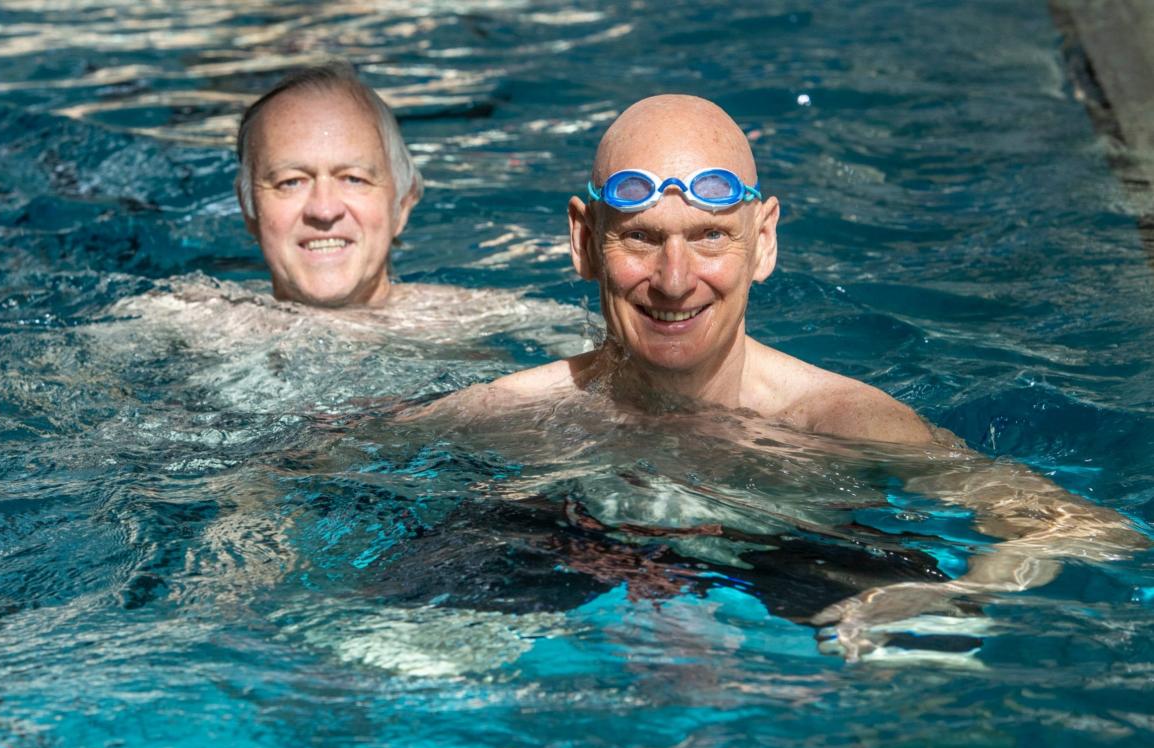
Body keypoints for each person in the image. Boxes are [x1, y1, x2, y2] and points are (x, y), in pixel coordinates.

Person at [430, 94, 1145, 660]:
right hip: (558, 556)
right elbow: (321, 472)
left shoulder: (842, 423)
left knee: (929, 658)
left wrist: (952, 594)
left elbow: (1087, 531)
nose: (675, 281)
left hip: (795, 576)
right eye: (642, 237)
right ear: (585, 241)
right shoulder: (502, 410)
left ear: (762, 241)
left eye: (709, 235)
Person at [235, 61, 422, 308]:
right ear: (249, 211)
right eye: (290, 182)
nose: (324, 210)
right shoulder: (191, 323)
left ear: (402, 204)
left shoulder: (472, 327)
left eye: (354, 179)